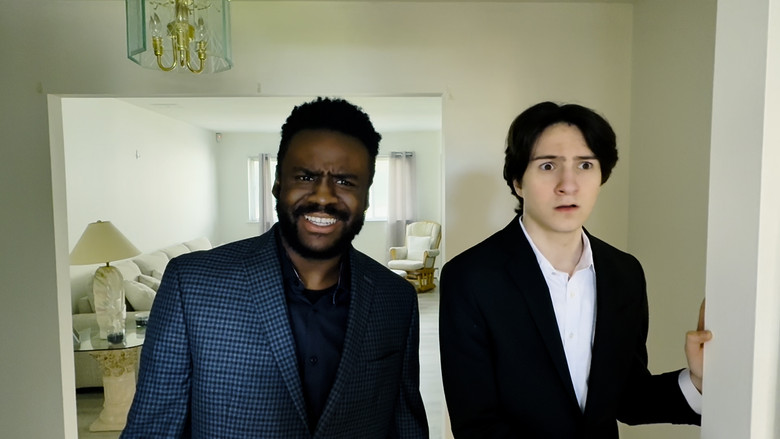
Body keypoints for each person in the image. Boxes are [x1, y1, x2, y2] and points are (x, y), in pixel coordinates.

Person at [121, 97, 429, 438]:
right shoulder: (191, 285)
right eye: (305, 176)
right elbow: (152, 429)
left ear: (367, 197)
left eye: (345, 181)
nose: (324, 196)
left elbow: (406, 426)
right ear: (278, 184)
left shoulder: (395, 298)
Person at [439, 101, 712, 438]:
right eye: (547, 165)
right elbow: (476, 424)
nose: (568, 184)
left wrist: (697, 381)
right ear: (518, 181)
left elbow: (629, 397)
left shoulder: (624, 273)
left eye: (585, 165)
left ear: (601, 177)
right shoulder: (469, 277)